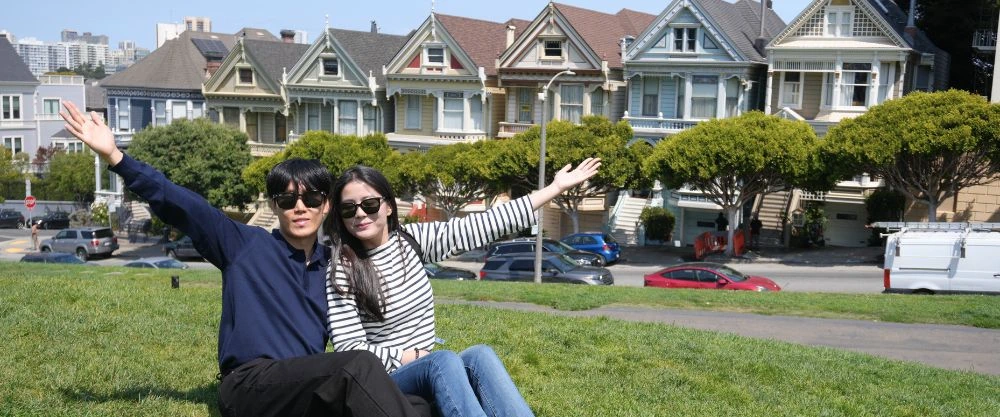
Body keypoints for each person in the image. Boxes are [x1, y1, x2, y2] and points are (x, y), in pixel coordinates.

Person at [59, 101, 429, 417]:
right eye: (288, 200)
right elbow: (180, 203)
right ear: (275, 207)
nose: (300, 208)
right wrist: (116, 157)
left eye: (312, 199)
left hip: (306, 387)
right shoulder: (244, 245)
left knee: (417, 402)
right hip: (250, 386)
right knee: (358, 367)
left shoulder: (335, 266)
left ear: (326, 205)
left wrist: (410, 355)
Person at [324, 159, 601, 417]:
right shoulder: (343, 268)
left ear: (388, 206)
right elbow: (350, 349)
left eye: (369, 204)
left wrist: (555, 188)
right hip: (383, 379)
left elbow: (484, 224)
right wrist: (409, 356)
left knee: (480, 355)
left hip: (427, 363)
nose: (360, 214)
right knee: (442, 361)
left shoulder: (411, 241)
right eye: (349, 209)